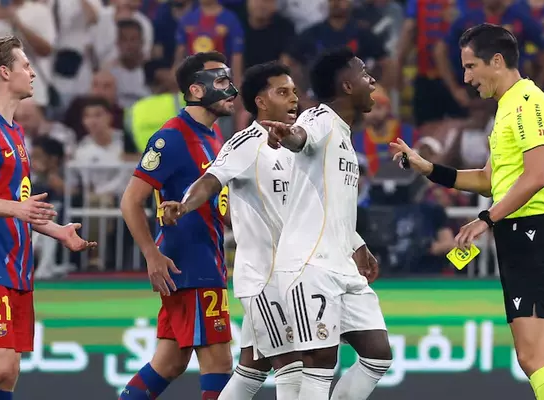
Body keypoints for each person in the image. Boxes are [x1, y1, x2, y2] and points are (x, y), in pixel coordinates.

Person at [390, 23, 544, 400]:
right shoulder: (506, 108)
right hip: (521, 233)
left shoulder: (528, 102)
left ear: (497, 61)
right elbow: (490, 180)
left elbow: (536, 176)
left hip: (535, 231)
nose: (466, 78)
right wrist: (429, 168)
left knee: (536, 355)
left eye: (471, 66)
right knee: (530, 357)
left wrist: (487, 218)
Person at [0, 35, 96, 400]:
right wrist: (18, 209)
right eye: (26, 66)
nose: (32, 73)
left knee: (7, 374)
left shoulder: (13, 131)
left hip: (14, 263)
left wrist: (56, 230)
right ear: (4, 72)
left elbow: (17, 202)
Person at [159, 61, 304, 399]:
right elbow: (210, 181)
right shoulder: (245, 143)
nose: (294, 99)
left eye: (295, 92)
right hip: (263, 278)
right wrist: (184, 205)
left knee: (251, 371)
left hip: (293, 274)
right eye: (283, 92)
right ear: (261, 102)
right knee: (292, 366)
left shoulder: (298, 148)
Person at [262, 47, 392, 400]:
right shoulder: (319, 117)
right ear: (346, 86)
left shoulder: (345, 136)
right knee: (320, 361)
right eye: (364, 73)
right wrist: (287, 136)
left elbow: (332, 205)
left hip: (341, 264)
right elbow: (299, 137)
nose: (372, 81)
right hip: (310, 264)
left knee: (378, 355)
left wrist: (358, 245)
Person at [119, 51, 238, 400]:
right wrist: (151, 255)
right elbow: (130, 200)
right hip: (190, 265)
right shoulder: (171, 137)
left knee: (170, 362)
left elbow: (218, 206)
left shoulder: (214, 138)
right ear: (196, 90)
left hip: (205, 260)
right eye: (221, 81)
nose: (231, 90)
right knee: (219, 363)